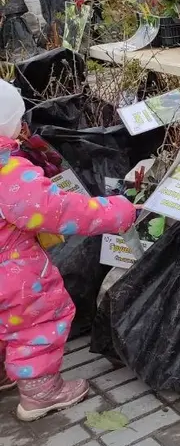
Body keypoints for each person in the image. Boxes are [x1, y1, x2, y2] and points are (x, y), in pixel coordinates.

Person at [0, 80, 136, 421]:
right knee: (38, 320)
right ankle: (40, 393)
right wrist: (118, 211)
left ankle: (4, 371)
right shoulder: (8, 174)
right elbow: (58, 211)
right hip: (11, 269)